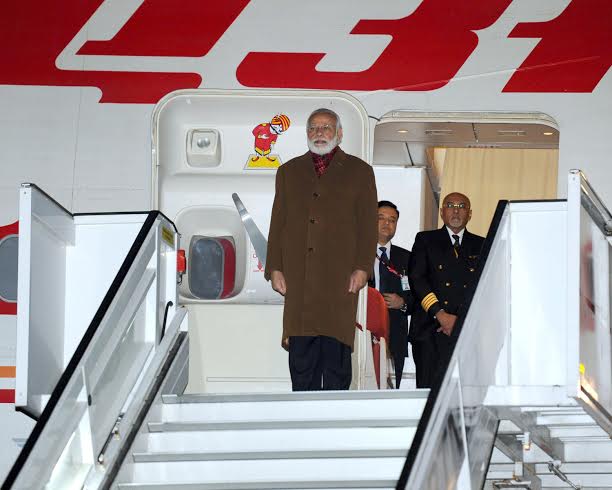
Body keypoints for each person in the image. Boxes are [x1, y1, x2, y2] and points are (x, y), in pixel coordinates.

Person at [265, 108, 378, 391]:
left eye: (326, 127)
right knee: (302, 366)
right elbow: (278, 223)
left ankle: (335, 417)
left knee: (336, 365)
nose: (319, 133)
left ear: (339, 134)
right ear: (307, 134)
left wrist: (363, 268)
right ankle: (302, 418)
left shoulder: (360, 171)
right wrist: (275, 267)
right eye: (313, 128)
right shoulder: (288, 172)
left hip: (339, 281)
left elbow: (368, 226)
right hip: (299, 281)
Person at [408, 192, 484, 388]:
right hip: (430, 329)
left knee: (464, 394)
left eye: (462, 206)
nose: (456, 211)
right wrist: (441, 315)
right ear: (442, 212)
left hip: (466, 330)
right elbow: (417, 279)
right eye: (450, 205)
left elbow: (484, 287)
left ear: (470, 214)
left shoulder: (481, 244)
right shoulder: (426, 240)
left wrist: (460, 322)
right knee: (428, 393)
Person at [369, 200, 415, 388]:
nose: (387, 223)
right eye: (381, 218)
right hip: (364, 332)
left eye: (392, 220)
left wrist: (402, 303)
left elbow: (417, 297)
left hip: (395, 336)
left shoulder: (407, 258)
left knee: (390, 392)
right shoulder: (358, 255)